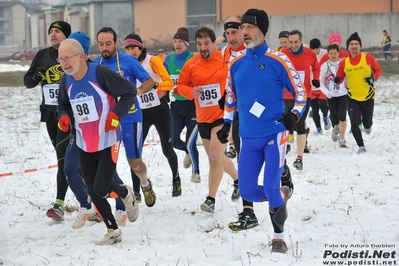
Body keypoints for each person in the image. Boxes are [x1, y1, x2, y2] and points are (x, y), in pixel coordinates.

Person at [217, 8, 306, 253]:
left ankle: (279, 236)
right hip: (248, 136)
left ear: (262, 30)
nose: (244, 32)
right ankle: (281, 195)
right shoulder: (235, 63)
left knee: (268, 187)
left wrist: (294, 116)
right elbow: (231, 97)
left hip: (274, 133)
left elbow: (300, 94)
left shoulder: (279, 60)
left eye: (249, 27)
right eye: (242, 28)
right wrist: (226, 123)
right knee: (246, 190)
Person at [57, 39, 139, 245]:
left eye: (68, 58)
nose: (64, 63)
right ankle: (113, 230)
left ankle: (125, 193)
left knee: (101, 188)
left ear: (82, 56)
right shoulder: (65, 80)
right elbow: (62, 105)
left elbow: (130, 91)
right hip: (84, 142)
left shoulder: (100, 73)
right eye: (61, 59)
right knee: (93, 192)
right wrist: (63, 116)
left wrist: (117, 113)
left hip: (108, 139)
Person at [177, 26, 240, 213]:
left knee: (214, 156)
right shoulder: (192, 64)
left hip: (223, 116)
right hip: (203, 118)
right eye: (199, 44)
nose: (203, 47)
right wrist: (191, 92)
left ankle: (210, 199)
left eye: (206, 43)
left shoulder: (225, 59)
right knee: (217, 158)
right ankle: (239, 180)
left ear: (214, 43)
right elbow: (180, 85)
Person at [93, 27, 157, 207]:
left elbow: (149, 81)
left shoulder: (128, 61)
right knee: (105, 163)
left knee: (134, 162)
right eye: (101, 44)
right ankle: (118, 200)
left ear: (115, 43)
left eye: (108, 44)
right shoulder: (96, 65)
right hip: (107, 121)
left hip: (129, 118)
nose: (104, 48)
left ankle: (145, 184)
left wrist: (137, 91)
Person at [23, 21, 72, 221]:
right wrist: (36, 76)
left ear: (66, 36)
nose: (53, 34)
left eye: (57, 31)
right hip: (50, 114)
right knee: (64, 157)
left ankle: (59, 204)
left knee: (64, 157)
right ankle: (85, 192)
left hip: (69, 115)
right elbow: (28, 82)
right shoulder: (42, 55)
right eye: (51, 31)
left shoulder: (73, 53)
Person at [123, 33, 182, 197]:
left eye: (133, 47)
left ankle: (176, 178)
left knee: (167, 149)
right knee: (135, 153)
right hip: (140, 114)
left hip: (160, 110)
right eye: (127, 48)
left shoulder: (152, 61)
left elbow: (169, 83)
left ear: (140, 47)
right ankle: (136, 191)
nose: (131, 51)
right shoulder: (126, 65)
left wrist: (155, 85)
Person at [334, 32, 382, 154]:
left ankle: (367, 125)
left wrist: (373, 78)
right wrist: (337, 80)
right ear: (348, 47)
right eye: (351, 44)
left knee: (367, 123)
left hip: (367, 96)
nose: (354, 46)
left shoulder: (368, 58)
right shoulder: (344, 62)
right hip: (352, 97)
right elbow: (340, 76)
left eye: (356, 44)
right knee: (354, 123)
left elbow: (378, 70)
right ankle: (361, 146)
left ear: (360, 46)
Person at [164, 27, 201, 183]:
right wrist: (164, 93)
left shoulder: (194, 59)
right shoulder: (168, 59)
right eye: (175, 41)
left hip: (192, 106)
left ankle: (196, 172)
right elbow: (165, 78)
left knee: (191, 141)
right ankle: (187, 151)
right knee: (173, 140)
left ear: (187, 43)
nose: (177, 44)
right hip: (176, 106)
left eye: (180, 41)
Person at [283, 29, 320, 170]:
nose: (293, 45)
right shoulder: (283, 54)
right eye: (291, 42)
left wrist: (316, 79)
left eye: (296, 42)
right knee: (289, 123)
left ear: (301, 40)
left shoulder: (309, 53)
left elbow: (316, 67)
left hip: (305, 95)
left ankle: (299, 158)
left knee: (299, 123)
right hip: (287, 95)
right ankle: (284, 148)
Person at [319, 44, 348, 148]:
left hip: (343, 94)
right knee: (334, 116)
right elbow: (320, 82)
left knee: (342, 116)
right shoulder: (325, 66)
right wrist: (326, 92)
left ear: (338, 53)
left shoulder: (344, 63)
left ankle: (342, 138)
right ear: (328, 54)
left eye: (335, 53)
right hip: (331, 96)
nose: (333, 55)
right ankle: (335, 128)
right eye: (331, 53)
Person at [309, 38, 330, 134]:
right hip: (311, 86)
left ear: (320, 47)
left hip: (321, 85)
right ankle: (318, 127)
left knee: (323, 105)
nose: (315, 51)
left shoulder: (326, 54)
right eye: (313, 49)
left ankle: (325, 116)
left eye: (317, 49)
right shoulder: (308, 55)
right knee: (314, 109)